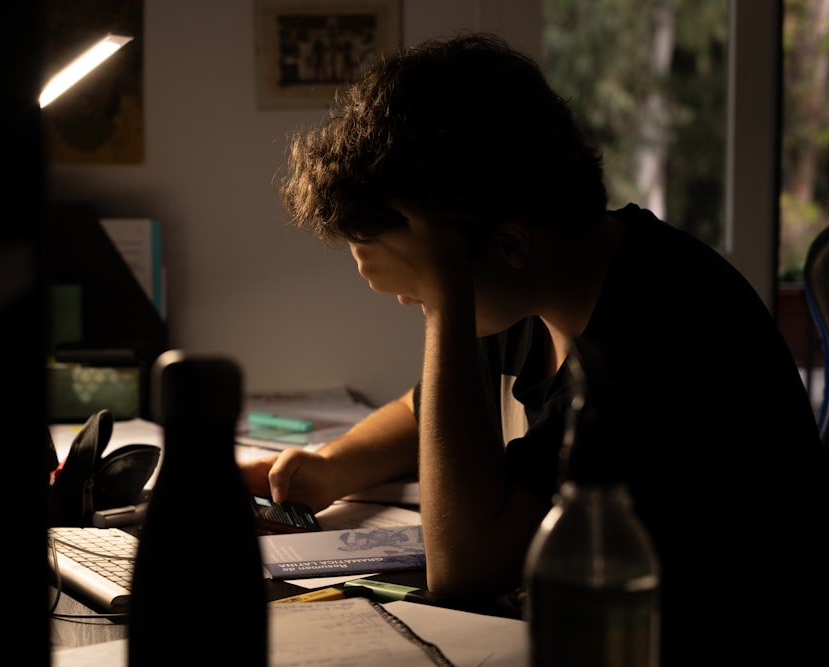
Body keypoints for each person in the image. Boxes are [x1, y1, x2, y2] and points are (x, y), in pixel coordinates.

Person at [239, 32, 827, 663]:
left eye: (418, 293)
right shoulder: (541, 286)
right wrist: (330, 465)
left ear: (510, 245)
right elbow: (425, 412)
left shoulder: (662, 330)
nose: (412, 308)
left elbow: (466, 568)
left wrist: (447, 296)